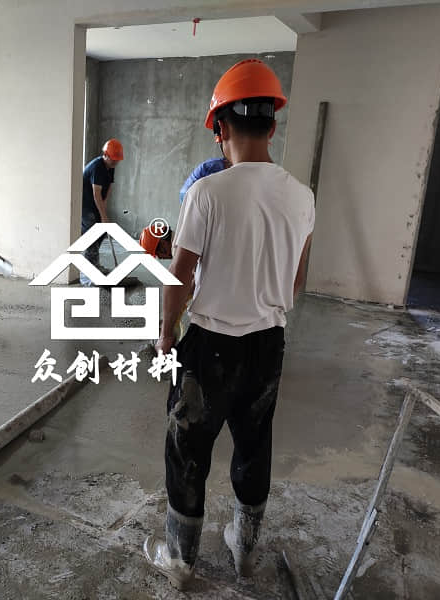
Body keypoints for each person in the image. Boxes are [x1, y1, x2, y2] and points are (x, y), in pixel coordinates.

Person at [143, 59, 315, 588]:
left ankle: (180, 561)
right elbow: (296, 283)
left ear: (220, 127)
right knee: (254, 444)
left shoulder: (208, 192)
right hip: (269, 344)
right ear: (272, 125)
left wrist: (166, 334)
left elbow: (179, 275)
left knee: (187, 449)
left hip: (210, 347)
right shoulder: (302, 196)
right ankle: (244, 548)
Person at [80, 139, 123, 285]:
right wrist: (103, 216)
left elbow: (108, 188)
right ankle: (87, 276)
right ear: (105, 155)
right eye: (113, 159)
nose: (116, 162)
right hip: (85, 205)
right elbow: (96, 194)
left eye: (117, 160)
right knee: (92, 234)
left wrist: (104, 210)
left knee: (101, 233)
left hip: (95, 204)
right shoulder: (97, 166)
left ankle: (95, 265)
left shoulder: (110, 166)